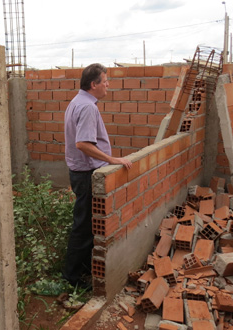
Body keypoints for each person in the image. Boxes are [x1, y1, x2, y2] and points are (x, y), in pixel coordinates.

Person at [62, 63, 132, 289]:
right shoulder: (88, 108)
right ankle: (71, 278)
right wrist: (113, 160)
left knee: (86, 224)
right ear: (94, 84)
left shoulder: (77, 102)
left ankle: (79, 271)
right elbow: (82, 143)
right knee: (83, 227)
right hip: (86, 174)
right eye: (105, 81)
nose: (108, 85)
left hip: (78, 172)